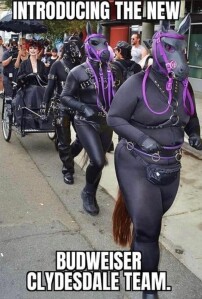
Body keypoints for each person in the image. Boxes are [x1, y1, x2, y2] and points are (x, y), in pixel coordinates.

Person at [107, 16, 202, 299]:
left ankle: (140, 256)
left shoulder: (182, 87)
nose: (179, 58)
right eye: (171, 50)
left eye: (181, 51)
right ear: (159, 49)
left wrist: (195, 134)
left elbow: (191, 117)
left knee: (147, 225)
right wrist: (143, 138)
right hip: (137, 163)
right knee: (149, 231)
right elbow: (114, 117)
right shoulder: (136, 84)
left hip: (170, 167)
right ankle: (149, 290)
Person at [60, 22, 115, 216]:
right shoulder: (77, 72)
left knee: (97, 160)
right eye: (97, 44)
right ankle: (88, 193)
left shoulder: (112, 70)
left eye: (105, 43)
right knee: (98, 161)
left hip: (106, 122)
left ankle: (73, 159)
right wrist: (83, 107)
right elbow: (64, 97)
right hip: (85, 120)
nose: (103, 48)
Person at [43, 36, 83, 185]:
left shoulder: (83, 65)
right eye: (75, 46)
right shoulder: (57, 65)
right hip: (62, 107)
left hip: (79, 107)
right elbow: (50, 88)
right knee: (64, 141)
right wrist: (44, 106)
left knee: (83, 139)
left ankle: (68, 157)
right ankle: (68, 170)